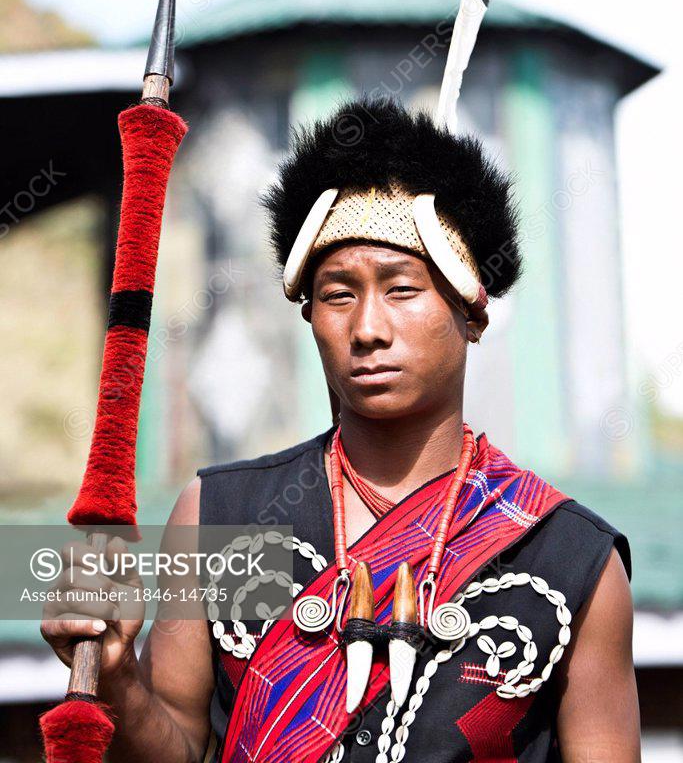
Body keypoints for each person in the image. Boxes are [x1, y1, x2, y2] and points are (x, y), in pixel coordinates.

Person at [41, 94, 640, 763]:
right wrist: (117, 673)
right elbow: (172, 749)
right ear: (310, 318)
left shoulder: (567, 559)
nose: (367, 329)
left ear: (472, 314)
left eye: (402, 289)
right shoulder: (222, 516)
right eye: (337, 294)